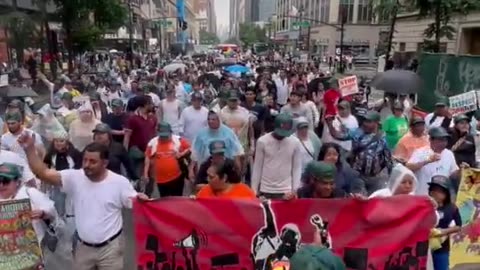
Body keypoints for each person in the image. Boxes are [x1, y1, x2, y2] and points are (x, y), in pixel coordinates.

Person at [18, 132, 147, 270]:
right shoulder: (74, 178)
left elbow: (136, 202)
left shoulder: (119, 182)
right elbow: (43, 173)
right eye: (85, 160)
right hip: (83, 248)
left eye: (92, 161)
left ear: (105, 163)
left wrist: (142, 199)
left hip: (111, 249)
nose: (86, 165)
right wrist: (29, 149)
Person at [251, 113, 302, 199]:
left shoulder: (295, 142)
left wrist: (295, 189)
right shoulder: (262, 141)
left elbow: (296, 167)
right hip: (265, 189)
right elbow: (257, 167)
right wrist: (254, 190)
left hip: (286, 190)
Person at [407, 127, 459, 195]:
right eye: (440, 140)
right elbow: (409, 167)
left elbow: (453, 174)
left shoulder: (449, 154)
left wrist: (462, 170)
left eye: (445, 140)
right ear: (431, 140)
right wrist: (427, 161)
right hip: (422, 194)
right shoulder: (420, 152)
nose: (443, 143)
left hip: (440, 197)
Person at [144, 122, 191, 197]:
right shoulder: (153, 143)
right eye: (162, 136)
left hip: (177, 177)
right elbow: (147, 157)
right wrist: (145, 173)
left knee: (177, 199)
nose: (164, 138)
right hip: (161, 179)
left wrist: (181, 154)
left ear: (170, 132)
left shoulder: (177, 140)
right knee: (164, 200)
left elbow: (189, 148)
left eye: (166, 136)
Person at [428, 175, 462, 270]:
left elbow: (459, 226)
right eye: (433, 190)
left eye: (439, 191)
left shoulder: (452, 208)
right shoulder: (424, 205)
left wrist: (443, 231)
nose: (435, 193)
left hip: (442, 248)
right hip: (425, 248)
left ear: (445, 193)